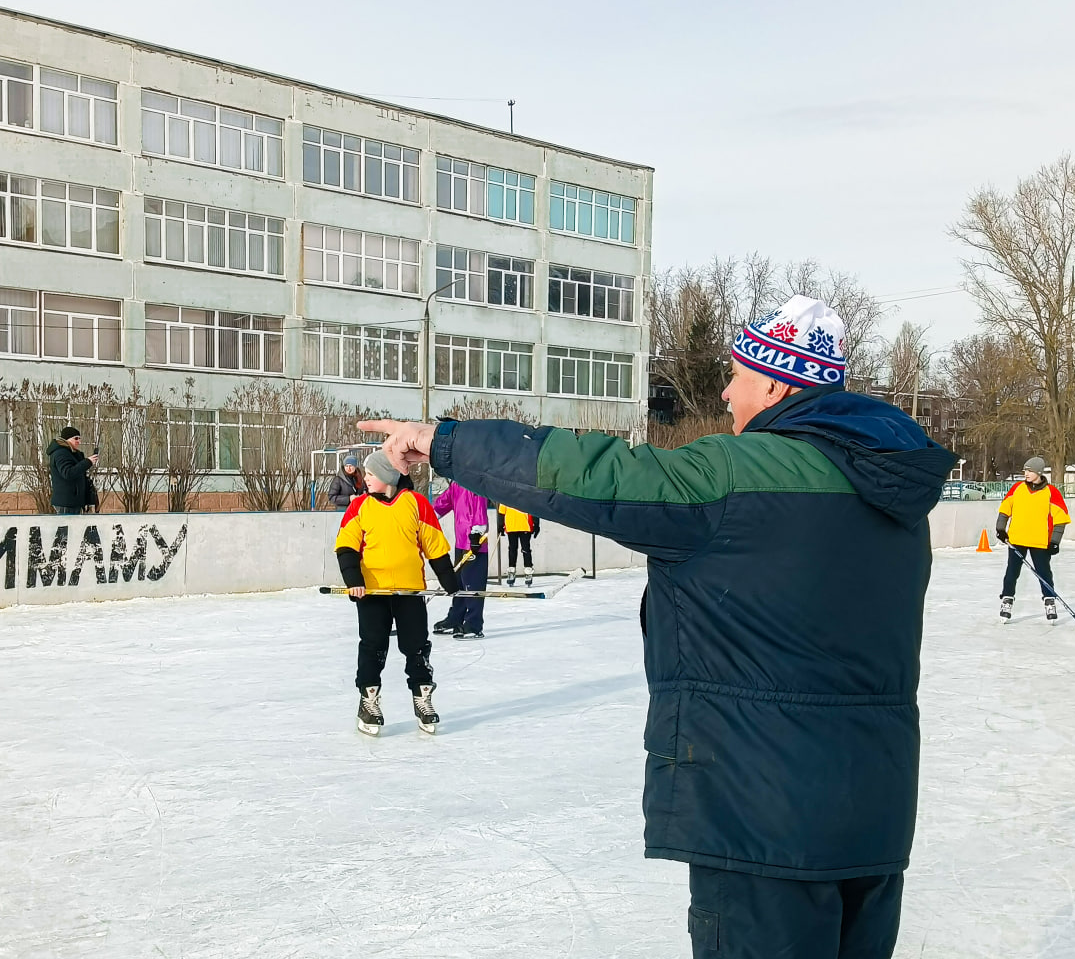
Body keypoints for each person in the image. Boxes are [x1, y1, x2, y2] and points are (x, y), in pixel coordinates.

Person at [359, 295, 957, 958]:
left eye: (738, 375)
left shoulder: (737, 475)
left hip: (763, 815)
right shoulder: (894, 495)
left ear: (779, 382)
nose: (727, 393)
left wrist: (444, 441)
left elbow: (598, 475)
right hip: (873, 812)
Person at [334, 451, 460, 735]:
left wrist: (450, 581)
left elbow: (435, 547)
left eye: (370, 474)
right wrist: (353, 580)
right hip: (372, 592)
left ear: (388, 476)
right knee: (373, 645)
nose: (364, 479)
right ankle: (368, 700)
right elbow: (345, 547)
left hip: (410, 592)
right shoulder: (360, 507)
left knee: (416, 646)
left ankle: (422, 696)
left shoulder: (416, 504)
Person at [995, 456, 1072, 622]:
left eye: (1029, 470)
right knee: (1011, 573)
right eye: (1025, 470)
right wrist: (1001, 529)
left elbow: (1061, 519)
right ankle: (1007, 600)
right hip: (1017, 539)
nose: (1026, 473)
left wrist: (1054, 542)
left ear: (1038, 472)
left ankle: (1049, 601)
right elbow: (1004, 509)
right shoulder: (1017, 488)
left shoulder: (1051, 492)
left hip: (1040, 541)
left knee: (1044, 574)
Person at [430, 480, 489, 639]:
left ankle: (474, 624)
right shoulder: (457, 483)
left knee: (473, 583)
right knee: (460, 582)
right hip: (461, 540)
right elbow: (444, 501)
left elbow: (480, 508)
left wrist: (478, 531)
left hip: (475, 542)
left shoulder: (475, 481)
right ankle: (456, 617)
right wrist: (429, 515)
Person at [47, 426, 98, 515]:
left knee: (74, 527)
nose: (79, 442)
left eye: (80, 439)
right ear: (67, 439)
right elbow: (68, 473)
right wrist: (87, 462)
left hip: (73, 501)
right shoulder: (61, 453)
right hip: (66, 502)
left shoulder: (72, 453)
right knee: (66, 527)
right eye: (76, 438)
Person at [497, 503, 539, 586]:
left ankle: (528, 571)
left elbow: (534, 508)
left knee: (525, 549)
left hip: (525, 525)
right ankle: (511, 571)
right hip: (511, 526)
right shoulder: (505, 495)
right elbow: (501, 512)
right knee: (513, 549)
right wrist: (500, 525)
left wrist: (536, 524)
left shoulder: (526, 495)